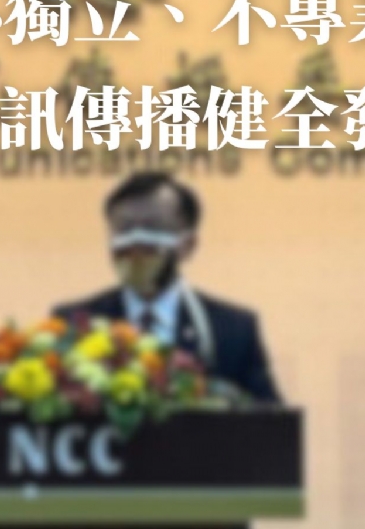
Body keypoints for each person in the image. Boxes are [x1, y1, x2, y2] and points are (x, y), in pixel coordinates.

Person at [54, 171, 281, 403]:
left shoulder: (232, 330)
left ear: (188, 245)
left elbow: (270, 419)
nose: (137, 240)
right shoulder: (73, 324)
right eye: (124, 228)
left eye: (153, 227)